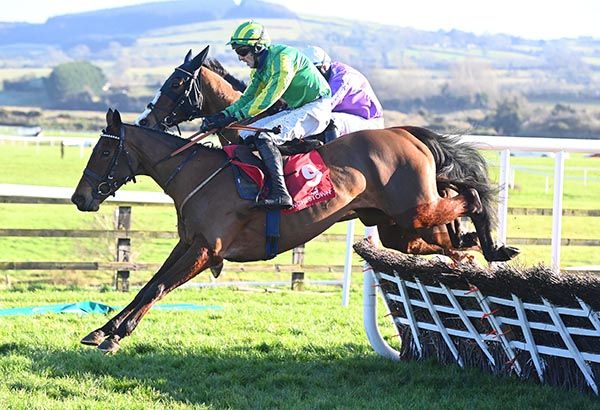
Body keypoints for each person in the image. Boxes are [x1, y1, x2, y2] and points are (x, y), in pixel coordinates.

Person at [199, 21, 332, 209]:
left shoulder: (283, 59)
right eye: (237, 52)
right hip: (298, 108)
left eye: (242, 51)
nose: (240, 58)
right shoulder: (260, 69)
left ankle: (281, 194)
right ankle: (265, 180)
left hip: (317, 106)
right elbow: (248, 98)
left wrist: (233, 117)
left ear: (258, 47)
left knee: (264, 136)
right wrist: (222, 115)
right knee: (246, 134)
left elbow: (267, 98)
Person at [303, 45, 384, 137]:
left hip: (369, 122)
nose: (310, 76)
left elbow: (322, 107)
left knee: (328, 120)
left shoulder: (342, 78)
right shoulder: (322, 78)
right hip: (348, 118)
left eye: (314, 71)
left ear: (324, 67)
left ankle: (331, 147)